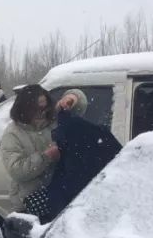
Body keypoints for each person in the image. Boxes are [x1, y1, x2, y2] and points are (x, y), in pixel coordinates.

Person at [23, 89, 121, 222]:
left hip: (68, 202)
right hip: (83, 199)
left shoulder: (72, 131)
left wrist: (71, 99)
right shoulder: (96, 134)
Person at [1, 84, 58, 212]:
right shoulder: (13, 133)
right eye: (37, 108)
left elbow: (78, 108)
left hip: (56, 196)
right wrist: (46, 156)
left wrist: (74, 96)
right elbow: (17, 170)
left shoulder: (52, 123)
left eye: (45, 107)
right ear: (25, 108)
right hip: (28, 202)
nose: (42, 112)